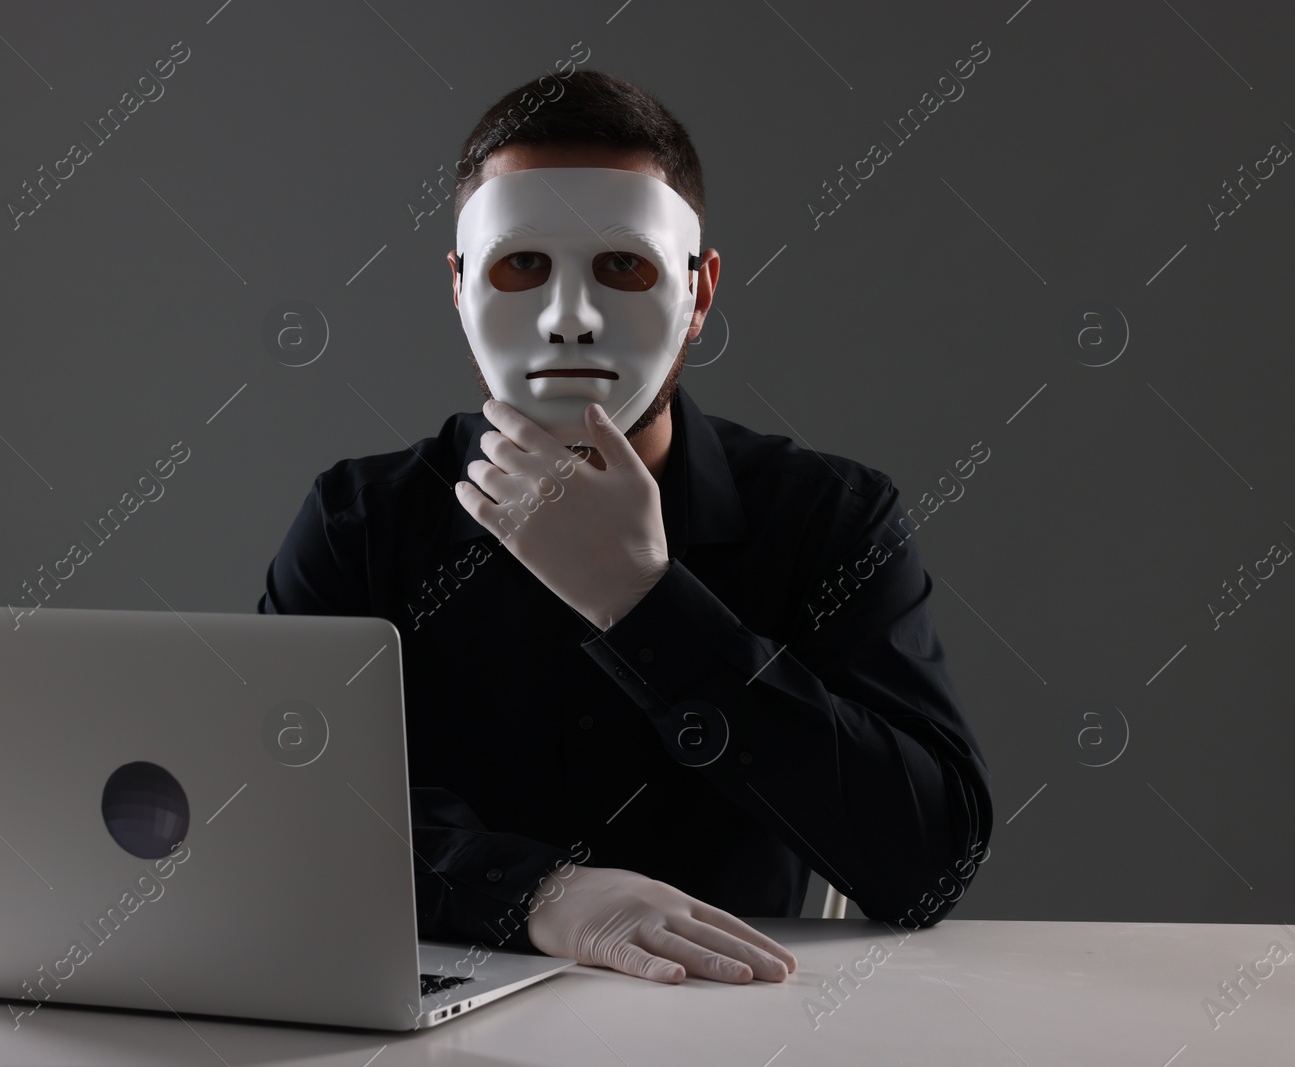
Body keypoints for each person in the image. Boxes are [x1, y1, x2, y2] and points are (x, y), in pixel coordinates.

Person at [258, 70, 992, 986]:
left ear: (699, 290)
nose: (571, 319)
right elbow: (276, 811)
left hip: (728, 1020)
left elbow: (929, 863)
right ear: (457, 285)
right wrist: (537, 893)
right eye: (522, 264)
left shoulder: (825, 520)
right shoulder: (362, 522)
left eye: (623, 266)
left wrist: (647, 604)